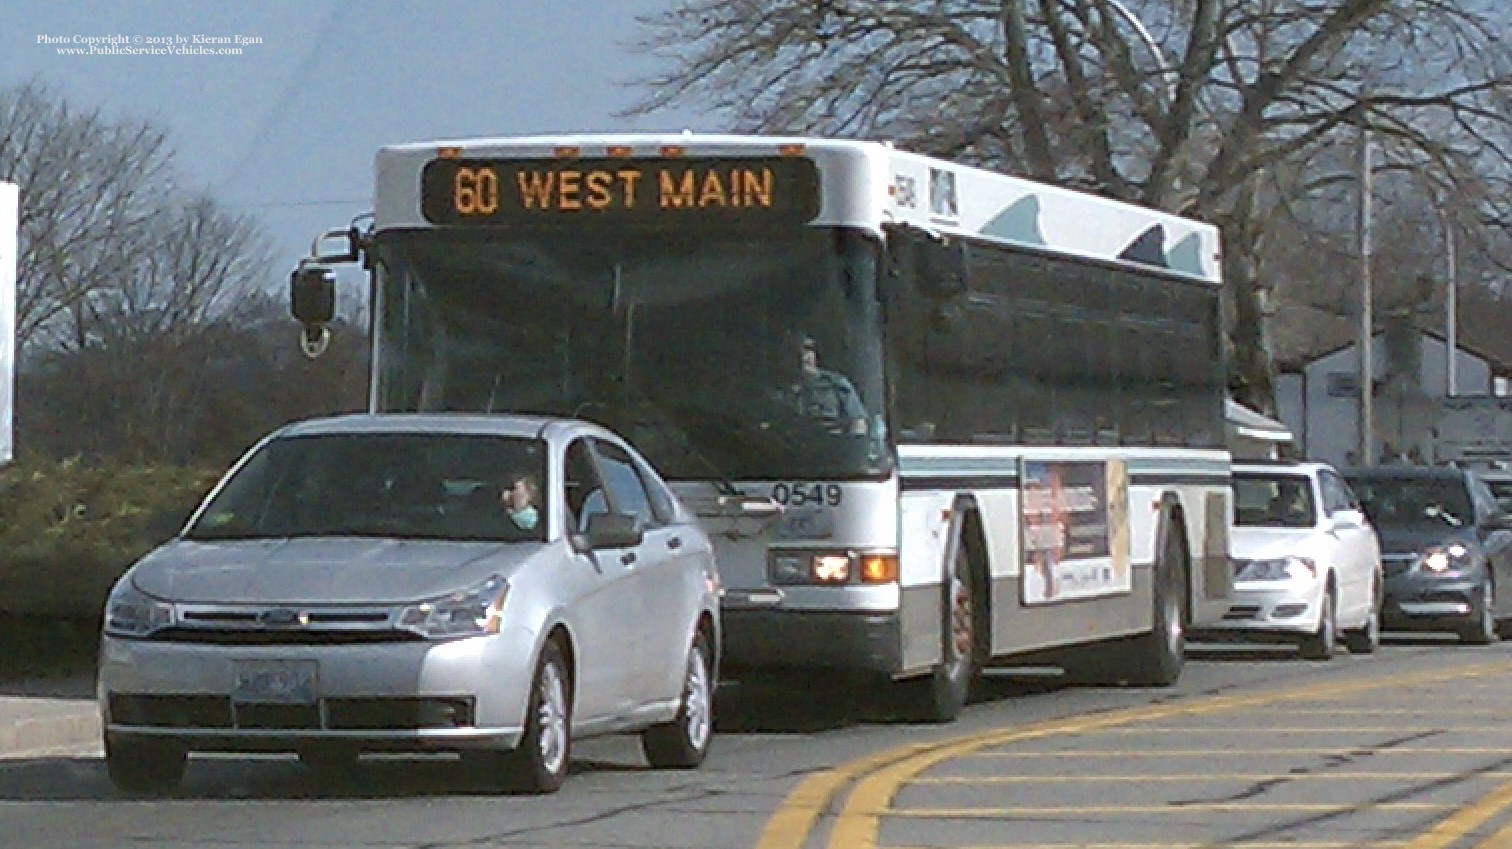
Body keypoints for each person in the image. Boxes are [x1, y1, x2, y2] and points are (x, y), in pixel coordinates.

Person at [781, 334, 868, 435]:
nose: (803, 356)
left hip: (832, 444)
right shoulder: (781, 392)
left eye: (808, 349)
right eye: (795, 351)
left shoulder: (836, 383)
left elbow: (858, 422)